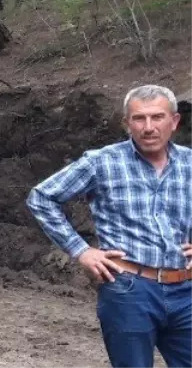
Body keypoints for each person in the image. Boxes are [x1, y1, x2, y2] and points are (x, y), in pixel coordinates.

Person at [26, 84, 192, 367]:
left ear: (174, 121)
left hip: (186, 290)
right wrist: (81, 250)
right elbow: (41, 197)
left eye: (157, 117)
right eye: (139, 119)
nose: (148, 127)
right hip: (129, 290)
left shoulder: (190, 163)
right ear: (127, 123)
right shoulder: (102, 162)